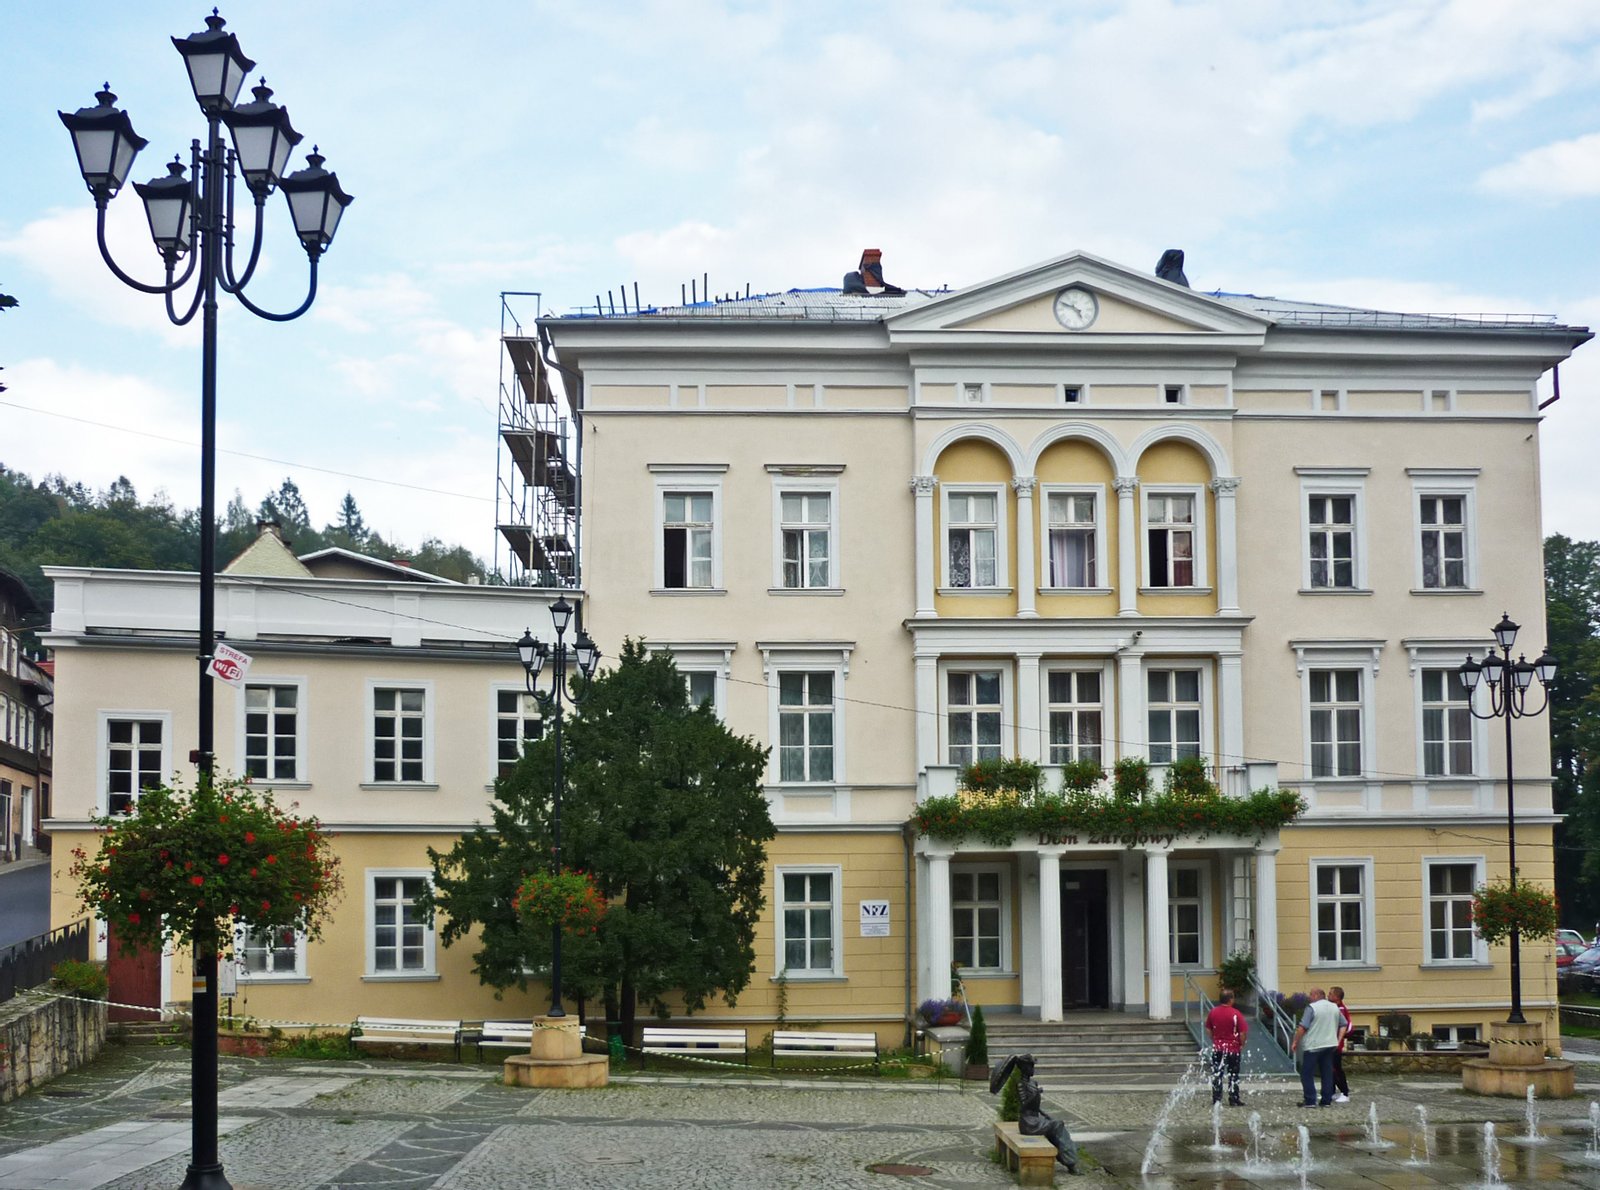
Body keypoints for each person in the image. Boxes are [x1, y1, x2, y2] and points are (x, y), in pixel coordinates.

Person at [989, 1052, 1081, 1174]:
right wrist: (1035, 1094)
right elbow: (1023, 1108)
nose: (1033, 1069)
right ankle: (1071, 1162)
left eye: (1033, 1066)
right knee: (1057, 1126)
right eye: (1030, 1066)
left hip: (1036, 1119)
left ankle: (1068, 1159)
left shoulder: (1033, 1083)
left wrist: (1045, 1115)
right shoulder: (1020, 1084)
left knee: (1057, 1126)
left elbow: (1036, 1108)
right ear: (1024, 1068)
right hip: (1028, 1123)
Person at [1289, 987, 1346, 1107]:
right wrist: (1338, 1039)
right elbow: (1343, 1024)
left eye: (1311, 994)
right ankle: (1326, 1100)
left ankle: (1310, 1100)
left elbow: (1303, 1027)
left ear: (1316, 995)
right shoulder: (1334, 1007)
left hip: (1314, 1045)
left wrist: (1295, 1041)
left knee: (1306, 1073)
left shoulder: (1312, 1008)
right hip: (1330, 1044)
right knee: (1327, 1073)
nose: (1309, 997)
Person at [1204, 989, 1249, 1106]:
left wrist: (1214, 1039)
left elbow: (1208, 1028)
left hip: (1218, 1048)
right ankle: (1234, 1098)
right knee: (1233, 1074)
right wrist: (1242, 1044)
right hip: (1233, 1048)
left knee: (1217, 1073)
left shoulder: (1213, 1012)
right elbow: (1242, 1032)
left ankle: (1217, 1098)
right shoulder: (1236, 1013)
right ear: (1230, 999)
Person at [1329, 986, 1352, 1104]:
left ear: (1336, 997)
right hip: (1331, 1043)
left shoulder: (1340, 1010)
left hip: (1336, 1044)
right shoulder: (1334, 1008)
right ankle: (1331, 1091)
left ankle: (1345, 1092)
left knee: (1336, 1069)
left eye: (1330, 994)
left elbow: (1345, 1026)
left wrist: (1338, 1040)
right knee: (1330, 1068)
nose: (1328, 996)